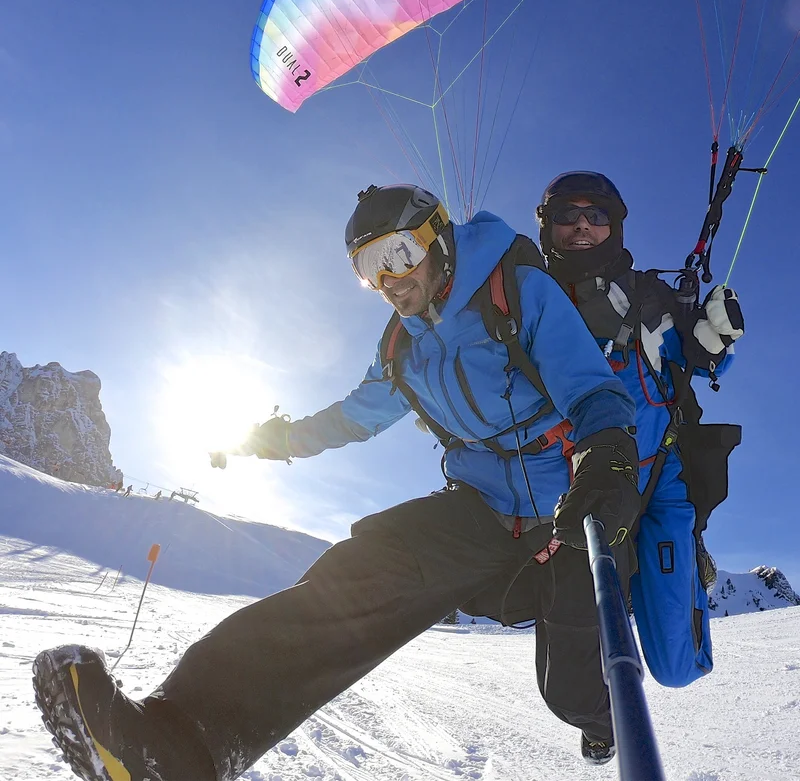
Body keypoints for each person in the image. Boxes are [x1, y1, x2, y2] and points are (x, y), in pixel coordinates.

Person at [33, 183, 638, 780]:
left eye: (398, 254)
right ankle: (180, 745)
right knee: (353, 578)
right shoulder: (403, 348)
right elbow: (352, 418)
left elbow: (590, 387)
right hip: (480, 510)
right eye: (369, 268)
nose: (390, 279)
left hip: (568, 500)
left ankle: (600, 723)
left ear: (439, 239)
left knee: (571, 690)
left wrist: (607, 452)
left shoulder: (515, 289)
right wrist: (263, 440)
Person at [535, 171, 744, 688]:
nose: (582, 226)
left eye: (597, 216)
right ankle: (599, 720)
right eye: (568, 215)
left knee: (676, 669)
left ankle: (685, 561)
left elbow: (701, 361)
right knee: (581, 672)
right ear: (548, 227)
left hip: (658, 485)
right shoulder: (525, 303)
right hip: (576, 497)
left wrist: (720, 339)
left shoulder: (651, 300)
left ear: (616, 226)